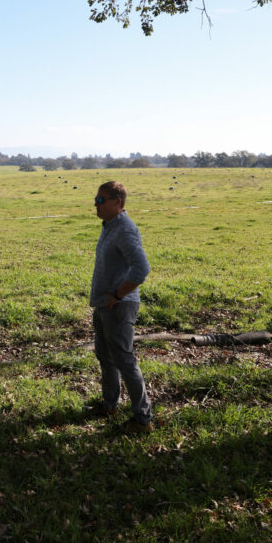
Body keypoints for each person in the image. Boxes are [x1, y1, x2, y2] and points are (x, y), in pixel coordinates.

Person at [88, 181, 154, 433]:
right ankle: (110, 404)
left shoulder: (124, 229)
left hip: (120, 305)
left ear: (118, 202)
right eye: (96, 197)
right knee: (106, 357)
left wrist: (117, 294)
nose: (96, 202)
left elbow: (141, 268)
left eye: (102, 199)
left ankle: (143, 419)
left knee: (124, 360)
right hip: (105, 305)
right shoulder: (109, 226)